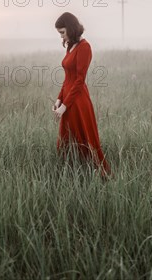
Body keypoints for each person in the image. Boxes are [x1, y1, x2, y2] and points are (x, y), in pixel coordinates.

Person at [52, 12, 112, 180]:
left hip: (78, 101)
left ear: (71, 29)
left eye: (63, 32)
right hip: (68, 99)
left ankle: (98, 177)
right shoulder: (70, 46)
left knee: (84, 139)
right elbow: (67, 78)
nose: (61, 36)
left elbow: (79, 81)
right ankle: (70, 176)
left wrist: (65, 106)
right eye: (59, 33)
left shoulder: (84, 47)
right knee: (65, 141)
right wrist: (59, 100)